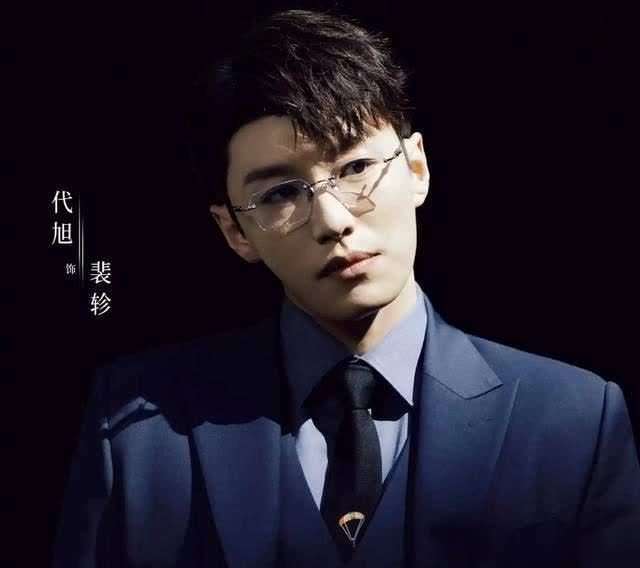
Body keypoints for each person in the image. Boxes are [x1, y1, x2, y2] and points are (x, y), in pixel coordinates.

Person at [53, 9, 640, 568]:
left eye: (356, 168)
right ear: (234, 231)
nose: (331, 220)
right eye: (280, 194)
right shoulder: (138, 432)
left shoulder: (574, 421)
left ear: (416, 167)